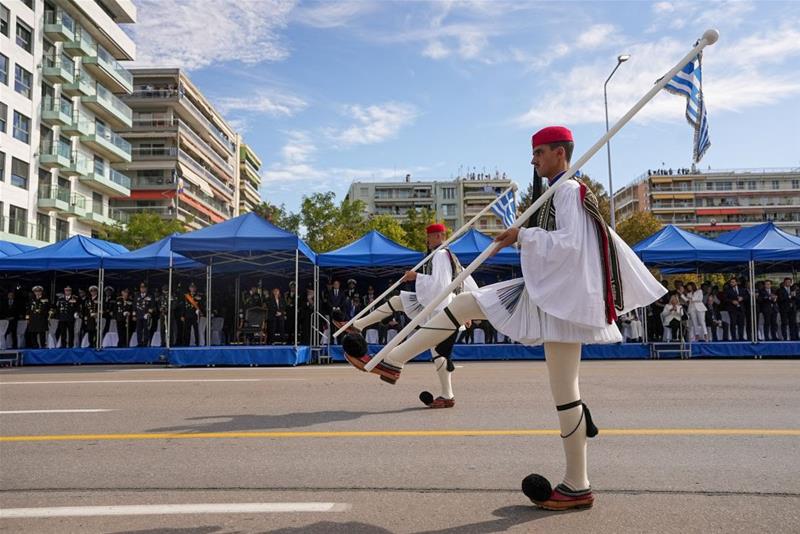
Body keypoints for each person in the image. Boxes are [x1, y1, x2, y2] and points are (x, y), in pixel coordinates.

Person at [342, 126, 666, 510]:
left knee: (553, 382)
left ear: (560, 153)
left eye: (540, 153)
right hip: (555, 297)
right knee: (564, 392)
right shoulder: (559, 191)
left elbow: (572, 245)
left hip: (558, 299)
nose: (534, 160)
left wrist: (523, 237)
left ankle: (392, 361)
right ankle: (577, 484)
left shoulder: (568, 191)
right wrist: (523, 236)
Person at [339, 222, 479, 409]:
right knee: (403, 305)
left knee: (438, 352)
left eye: (428, 237)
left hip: (442, 311)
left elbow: (439, 286)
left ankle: (392, 365)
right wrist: (467, 309)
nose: (427, 241)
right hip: (446, 309)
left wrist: (417, 277)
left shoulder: (439, 255)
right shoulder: (451, 257)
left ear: (437, 236)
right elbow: (465, 281)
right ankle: (358, 325)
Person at [134, 282, 156, 347]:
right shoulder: (137, 295)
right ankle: (139, 343)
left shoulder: (150, 296)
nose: (142, 289)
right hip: (139, 315)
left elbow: (153, 306)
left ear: (146, 288)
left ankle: (145, 343)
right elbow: (134, 306)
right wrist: (134, 315)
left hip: (146, 316)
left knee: (146, 330)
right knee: (139, 330)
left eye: (144, 288)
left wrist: (149, 313)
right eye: (141, 288)